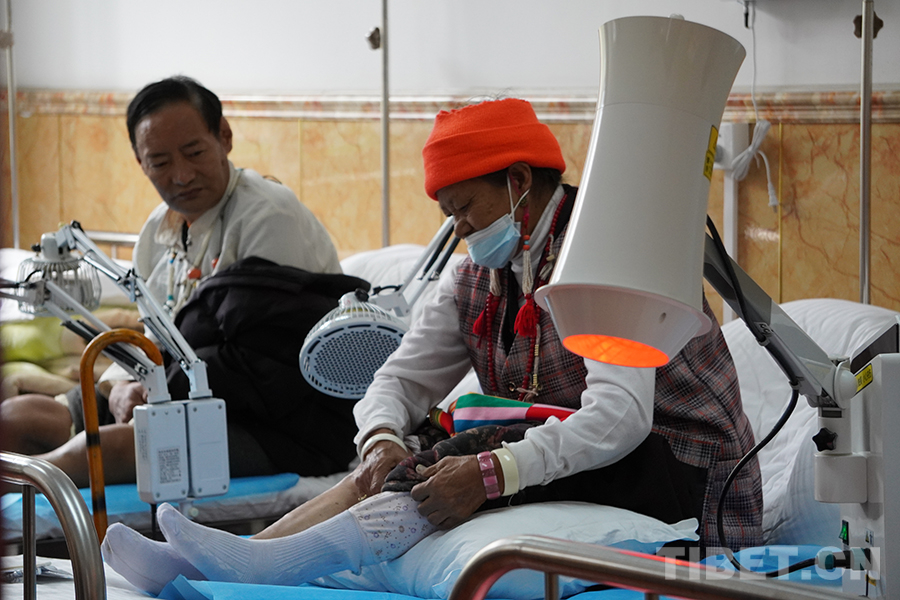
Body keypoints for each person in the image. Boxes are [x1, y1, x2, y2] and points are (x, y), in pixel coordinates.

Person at [101, 98, 763, 594]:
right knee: (416, 445)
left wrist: (493, 472)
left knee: (466, 452)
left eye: (466, 207)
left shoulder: (608, 256)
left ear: (518, 182)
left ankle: (253, 564)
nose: (459, 229)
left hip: (684, 472)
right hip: (588, 455)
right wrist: (379, 439)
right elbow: (397, 380)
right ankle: (220, 563)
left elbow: (622, 418)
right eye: (449, 213)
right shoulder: (475, 276)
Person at [0, 76, 361, 484]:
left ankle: (31, 499)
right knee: (18, 417)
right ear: (141, 162)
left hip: (280, 422)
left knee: (104, 451)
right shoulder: (158, 232)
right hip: (169, 392)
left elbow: (263, 363)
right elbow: (151, 336)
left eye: (194, 153)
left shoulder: (268, 217)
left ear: (224, 137)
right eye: (160, 162)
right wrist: (120, 385)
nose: (182, 175)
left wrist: (155, 391)